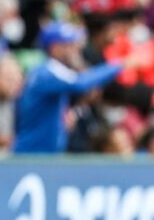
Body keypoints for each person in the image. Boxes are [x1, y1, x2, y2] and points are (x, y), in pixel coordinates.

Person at [14, 22, 132, 154]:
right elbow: (80, 83)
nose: (76, 49)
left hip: (43, 152)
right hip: (33, 153)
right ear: (55, 48)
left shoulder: (49, 70)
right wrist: (118, 65)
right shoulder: (48, 71)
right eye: (69, 45)